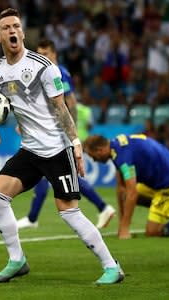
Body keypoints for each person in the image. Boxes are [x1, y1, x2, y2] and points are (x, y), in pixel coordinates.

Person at [0, 8, 124, 284]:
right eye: (6, 27)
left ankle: (112, 266)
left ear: (22, 32)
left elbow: (62, 107)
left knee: (68, 211)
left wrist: (76, 144)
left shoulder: (43, 67)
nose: (12, 30)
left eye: (16, 26)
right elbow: (0, 108)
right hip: (30, 149)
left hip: (57, 148)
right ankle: (17, 260)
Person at [16, 39, 115, 230]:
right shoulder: (41, 73)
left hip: (58, 132)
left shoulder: (59, 72)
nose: (41, 58)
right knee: (48, 173)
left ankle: (103, 207)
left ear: (54, 54)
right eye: (38, 54)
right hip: (46, 131)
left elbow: (71, 102)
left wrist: (71, 132)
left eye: (45, 54)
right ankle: (33, 217)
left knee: (58, 175)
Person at [83, 134, 169, 239]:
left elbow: (132, 192)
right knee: (127, 195)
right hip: (159, 177)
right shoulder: (116, 147)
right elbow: (122, 190)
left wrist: (125, 230)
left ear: (100, 149)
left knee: (152, 232)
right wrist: (122, 223)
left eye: (92, 155)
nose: (93, 160)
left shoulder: (122, 158)